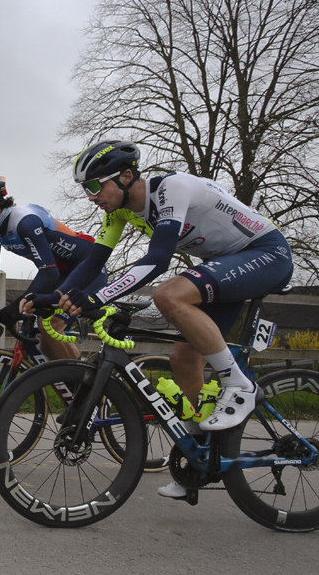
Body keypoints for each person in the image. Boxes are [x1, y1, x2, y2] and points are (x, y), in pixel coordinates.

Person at [30, 140, 293, 499]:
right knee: (183, 359)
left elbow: (158, 259)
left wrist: (99, 296)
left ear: (125, 177)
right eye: (85, 189)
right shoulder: (120, 212)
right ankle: (196, 462)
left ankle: (240, 386)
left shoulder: (172, 188)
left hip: (266, 253)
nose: (91, 196)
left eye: (95, 186)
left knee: (168, 294)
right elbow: (91, 264)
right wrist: (55, 301)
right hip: (226, 265)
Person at [0, 174, 106, 361]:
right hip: (62, 274)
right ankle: (67, 378)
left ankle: (84, 383)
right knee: (41, 338)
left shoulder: (25, 222)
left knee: (49, 327)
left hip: (88, 269)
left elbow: (48, 271)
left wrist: (15, 306)